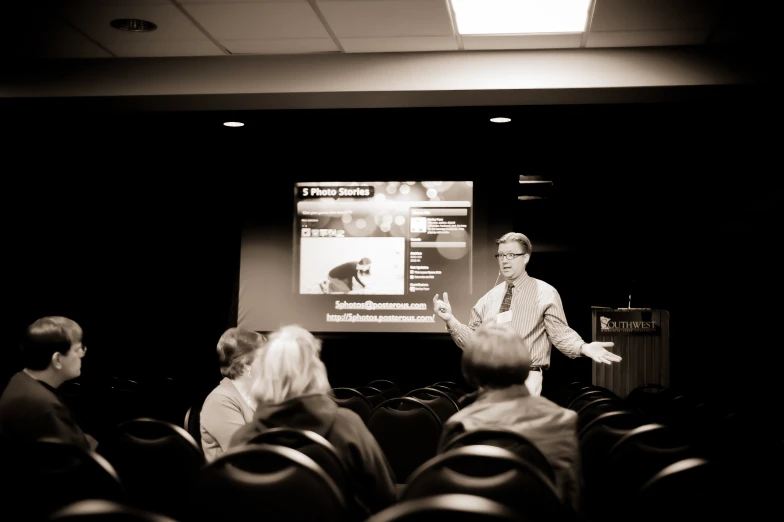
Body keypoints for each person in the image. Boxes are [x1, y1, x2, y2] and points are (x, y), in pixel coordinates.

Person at [229, 324, 396, 517]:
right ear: (316, 372)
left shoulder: (242, 440)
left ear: (263, 375)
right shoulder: (347, 427)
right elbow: (386, 497)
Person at [433, 232, 620, 396]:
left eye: (511, 255)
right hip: (490, 377)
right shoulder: (488, 299)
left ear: (526, 258)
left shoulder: (545, 293)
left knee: (519, 432)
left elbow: (560, 333)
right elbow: (474, 343)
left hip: (526, 376)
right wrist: (451, 320)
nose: (504, 260)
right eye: (501, 255)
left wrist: (583, 347)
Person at [438, 321, 582, 513]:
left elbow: (446, 503)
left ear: (469, 372)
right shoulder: (565, 420)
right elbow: (571, 501)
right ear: (525, 364)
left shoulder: (459, 426)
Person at [0, 316, 97, 450]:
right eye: (77, 349)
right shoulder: (44, 406)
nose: (82, 354)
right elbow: (76, 459)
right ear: (57, 359)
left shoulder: (20, 379)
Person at [200, 327, 267, 462]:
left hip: (263, 473)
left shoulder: (262, 395)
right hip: (232, 479)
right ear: (244, 365)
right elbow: (244, 454)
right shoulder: (219, 401)